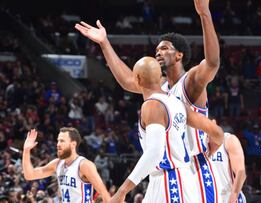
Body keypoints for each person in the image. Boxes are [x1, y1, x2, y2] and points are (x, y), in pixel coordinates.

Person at [75, 0, 221, 201]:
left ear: (180, 55)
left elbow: (212, 63)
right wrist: (104, 43)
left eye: (165, 48)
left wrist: (204, 13)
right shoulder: (158, 88)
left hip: (193, 165)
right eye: (157, 50)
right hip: (167, 171)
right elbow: (128, 80)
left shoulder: (191, 81)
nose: (159, 52)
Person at [109, 57, 224, 203]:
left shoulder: (152, 105)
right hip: (169, 179)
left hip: (171, 181)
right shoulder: (177, 103)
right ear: (159, 77)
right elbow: (218, 132)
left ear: (137, 79)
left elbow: (154, 153)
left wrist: (122, 191)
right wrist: (212, 148)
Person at [22, 127, 110, 202]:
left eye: (62, 141)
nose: (58, 144)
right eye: (58, 141)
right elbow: (29, 175)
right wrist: (26, 151)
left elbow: (105, 195)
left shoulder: (84, 165)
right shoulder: (57, 164)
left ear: (73, 144)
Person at [210, 132, 246, 203]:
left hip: (227, 197)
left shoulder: (228, 139)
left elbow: (241, 173)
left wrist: (232, 199)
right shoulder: (194, 143)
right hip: (205, 196)